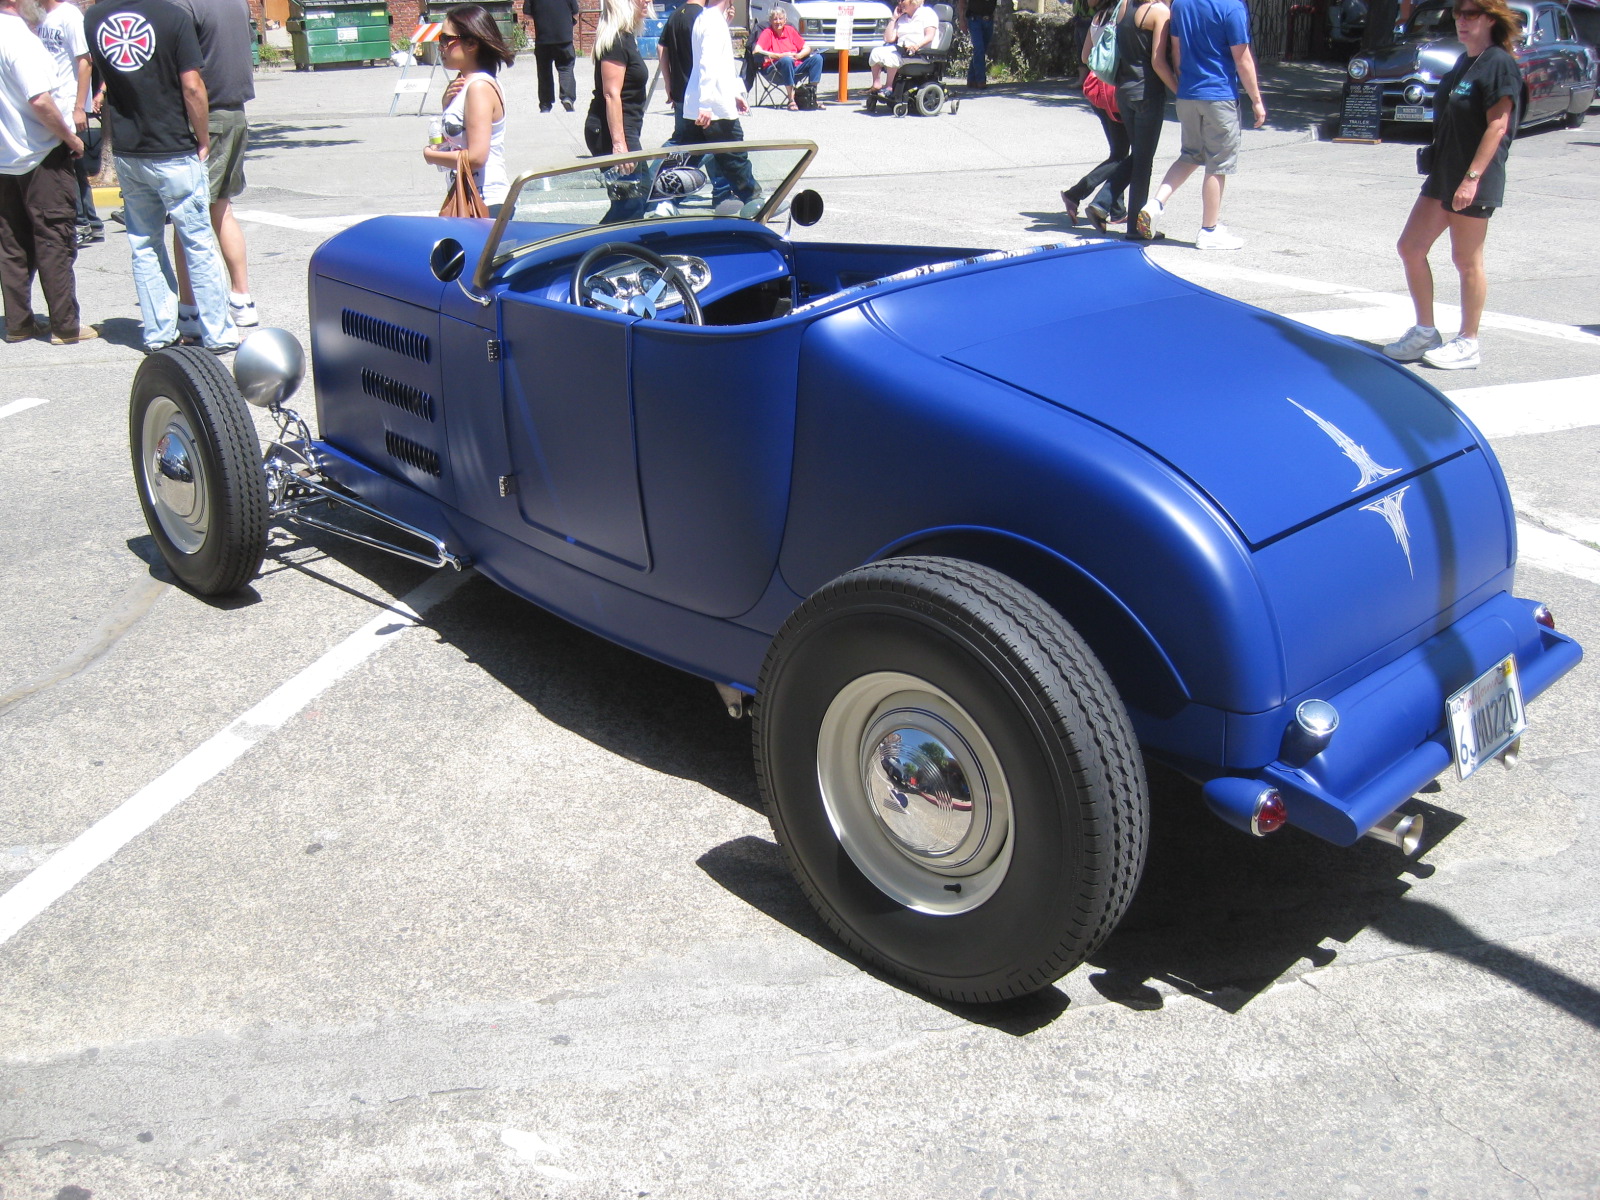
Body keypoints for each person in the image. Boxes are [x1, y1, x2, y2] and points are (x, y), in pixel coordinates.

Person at [87, 0, 236, 352]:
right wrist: (202, 137)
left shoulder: (94, 18)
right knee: (198, 242)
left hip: (128, 149)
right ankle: (219, 333)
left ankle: (158, 333)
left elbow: (109, 79)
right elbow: (193, 87)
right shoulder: (172, 16)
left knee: (144, 244)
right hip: (173, 148)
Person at [1383, 0, 1522, 370]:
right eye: (1458, 13)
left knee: (1466, 261)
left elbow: (1498, 125)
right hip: (1444, 174)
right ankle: (1425, 331)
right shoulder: (1465, 62)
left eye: (1471, 14)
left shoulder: (1499, 64)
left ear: (1491, 19)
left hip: (1474, 177)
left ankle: (1469, 342)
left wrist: (1472, 178)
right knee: (1410, 247)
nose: (1462, 20)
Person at [1134, 0, 1265, 249]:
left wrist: (1184, 85)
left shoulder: (1182, 4)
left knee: (1191, 154)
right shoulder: (1232, 7)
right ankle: (1209, 230)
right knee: (1218, 164)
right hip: (1219, 94)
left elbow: (1177, 50)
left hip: (1188, 93)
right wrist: (1257, 101)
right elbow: (1242, 58)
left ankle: (1155, 204)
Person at [0, 0, 91, 344]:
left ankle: (19, 323)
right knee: (55, 238)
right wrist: (69, 137)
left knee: (12, 243)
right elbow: (40, 100)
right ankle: (65, 326)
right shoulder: (21, 40)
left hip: (6, 157)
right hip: (40, 154)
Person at [168, 0, 258, 335]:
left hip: (207, 114)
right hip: (236, 113)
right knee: (222, 209)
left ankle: (190, 307)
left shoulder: (186, 6)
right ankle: (241, 297)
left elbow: (188, 77)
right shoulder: (237, 3)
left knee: (187, 215)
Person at [423, 5, 511, 216]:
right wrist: (447, 105)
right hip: (471, 195)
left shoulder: (479, 87)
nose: (441, 46)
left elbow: (477, 157)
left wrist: (430, 155)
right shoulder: (466, 84)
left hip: (486, 201)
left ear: (472, 43)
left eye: (446, 39)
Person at [1103, 0, 1176, 241]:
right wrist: (1179, 89)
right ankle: (1134, 227)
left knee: (1138, 157)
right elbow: (1158, 61)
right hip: (1147, 93)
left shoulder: (1124, 4)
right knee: (1143, 162)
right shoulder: (1159, 12)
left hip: (1124, 91)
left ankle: (1102, 202)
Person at [682, 0, 758, 213]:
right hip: (713, 106)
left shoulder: (706, 18)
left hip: (706, 102)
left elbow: (721, 65)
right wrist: (706, 103)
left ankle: (663, 200)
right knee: (734, 156)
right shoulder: (714, 22)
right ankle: (754, 199)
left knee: (688, 156)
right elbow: (709, 64)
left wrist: (734, 92)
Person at [35, 0, 101, 247]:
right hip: (53, 102)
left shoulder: (70, 15)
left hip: (68, 103)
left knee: (66, 167)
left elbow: (85, 62)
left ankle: (81, 223)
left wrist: (78, 107)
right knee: (75, 167)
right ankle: (91, 223)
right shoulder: (40, 17)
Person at [584, 0, 648, 221]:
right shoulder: (616, 41)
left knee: (637, 198)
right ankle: (591, 249)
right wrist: (620, 145)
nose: (648, 1)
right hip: (612, 131)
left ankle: (601, 248)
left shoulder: (626, 38)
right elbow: (611, 94)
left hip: (624, 128)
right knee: (630, 205)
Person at [1061, 40, 1128, 232]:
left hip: (1097, 89)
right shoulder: (1121, 17)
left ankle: (1117, 210)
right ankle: (1076, 193)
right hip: (1113, 92)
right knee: (1121, 156)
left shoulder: (1099, 18)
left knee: (1119, 152)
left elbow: (1085, 57)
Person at [752, 6, 820, 110]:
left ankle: (812, 96)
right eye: (775, 19)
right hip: (774, 70)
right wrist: (779, 56)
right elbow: (757, 50)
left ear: (785, 20)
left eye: (780, 18)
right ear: (770, 21)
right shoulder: (768, 32)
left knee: (817, 59)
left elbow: (807, 47)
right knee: (786, 60)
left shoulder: (790, 30)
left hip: (795, 67)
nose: (778, 21)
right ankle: (791, 100)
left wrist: (799, 55)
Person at [868, 0, 938, 100]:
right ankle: (877, 84)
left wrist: (916, 46)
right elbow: (888, 39)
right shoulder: (903, 18)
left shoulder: (927, 13)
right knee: (876, 52)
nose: (899, 2)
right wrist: (894, 19)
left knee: (892, 57)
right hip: (903, 50)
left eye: (902, 0)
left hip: (920, 53)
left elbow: (930, 36)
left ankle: (889, 87)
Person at [524, 0, 578, 112]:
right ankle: (567, 97)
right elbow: (575, 11)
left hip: (543, 38)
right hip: (564, 38)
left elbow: (527, 15)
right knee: (566, 68)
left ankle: (545, 104)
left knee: (544, 72)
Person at [955, 0, 995, 89]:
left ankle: (971, 79)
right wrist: (962, 20)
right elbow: (962, 2)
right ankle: (981, 80)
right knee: (979, 48)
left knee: (981, 50)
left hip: (989, 20)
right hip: (974, 20)